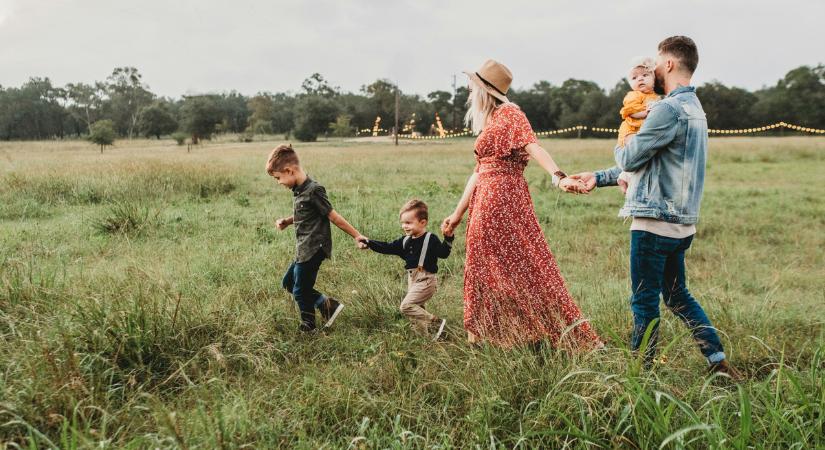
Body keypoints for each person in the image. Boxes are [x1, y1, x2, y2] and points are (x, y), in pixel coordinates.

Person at [570, 36, 744, 380]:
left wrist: (623, 141)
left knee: (644, 300)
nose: (651, 71)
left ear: (668, 64)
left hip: (653, 223)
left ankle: (640, 373)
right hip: (682, 225)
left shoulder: (666, 109)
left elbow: (632, 157)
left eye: (656, 64)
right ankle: (717, 361)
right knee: (678, 295)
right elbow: (654, 163)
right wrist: (600, 177)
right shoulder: (696, 109)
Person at [441, 59, 602, 349]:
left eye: (472, 87)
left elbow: (533, 145)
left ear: (484, 90)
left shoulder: (510, 113)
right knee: (484, 266)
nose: (468, 92)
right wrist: (456, 214)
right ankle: (491, 335)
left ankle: (533, 332)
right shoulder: (491, 121)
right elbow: (478, 171)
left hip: (502, 198)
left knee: (523, 265)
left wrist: (558, 177)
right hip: (486, 198)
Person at [267, 144, 368, 333]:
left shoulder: (314, 190)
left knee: (300, 290)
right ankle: (327, 306)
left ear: (289, 171)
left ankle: (309, 326)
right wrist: (288, 221)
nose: (278, 182)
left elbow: (333, 216)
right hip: (303, 248)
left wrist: (357, 235)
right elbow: (306, 214)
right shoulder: (299, 190)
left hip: (314, 249)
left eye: (278, 178)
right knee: (289, 283)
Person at [359, 199, 453, 340]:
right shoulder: (405, 241)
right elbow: (387, 247)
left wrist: (448, 238)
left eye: (408, 223)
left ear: (423, 222)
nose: (404, 226)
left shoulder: (430, 239)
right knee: (417, 313)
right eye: (403, 223)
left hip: (426, 280)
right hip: (412, 279)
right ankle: (423, 340)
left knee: (407, 306)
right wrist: (369, 242)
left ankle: (436, 322)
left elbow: (443, 253)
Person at [616, 56, 661, 195]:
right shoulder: (634, 95)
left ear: (654, 78)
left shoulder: (656, 96)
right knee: (635, 151)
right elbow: (630, 111)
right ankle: (626, 177)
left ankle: (625, 176)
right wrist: (645, 113)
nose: (640, 79)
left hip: (642, 130)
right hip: (631, 129)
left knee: (643, 156)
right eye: (634, 78)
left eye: (645, 75)